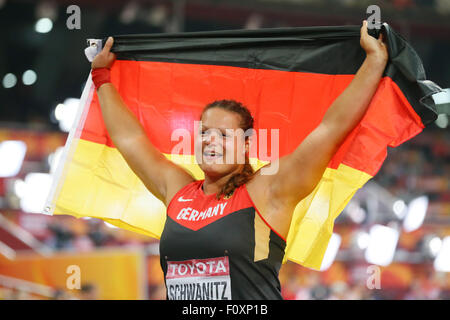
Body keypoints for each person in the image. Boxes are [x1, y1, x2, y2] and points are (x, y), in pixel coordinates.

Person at [90, 20, 388, 300]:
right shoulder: (177, 190)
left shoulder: (269, 190)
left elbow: (330, 129)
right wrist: (102, 78)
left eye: (223, 134)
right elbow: (130, 140)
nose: (210, 140)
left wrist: (374, 62)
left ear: (246, 144)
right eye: (205, 132)